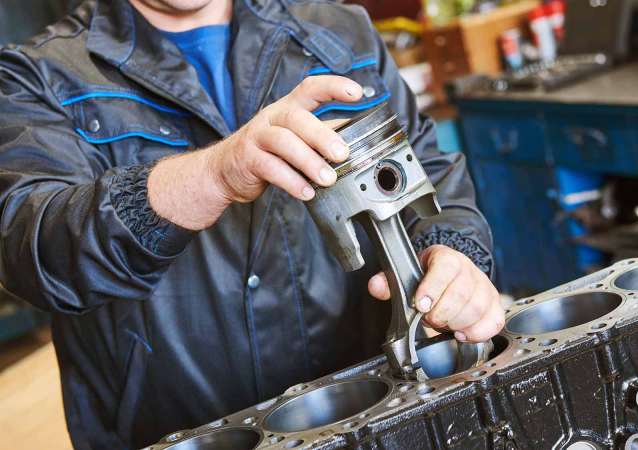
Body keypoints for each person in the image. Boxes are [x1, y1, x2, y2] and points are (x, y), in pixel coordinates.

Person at [0, 0, 503, 448]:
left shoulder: (341, 33)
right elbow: (35, 253)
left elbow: (430, 177)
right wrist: (217, 173)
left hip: (380, 413)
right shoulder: (35, 75)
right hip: (185, 431)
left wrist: (454, 252)